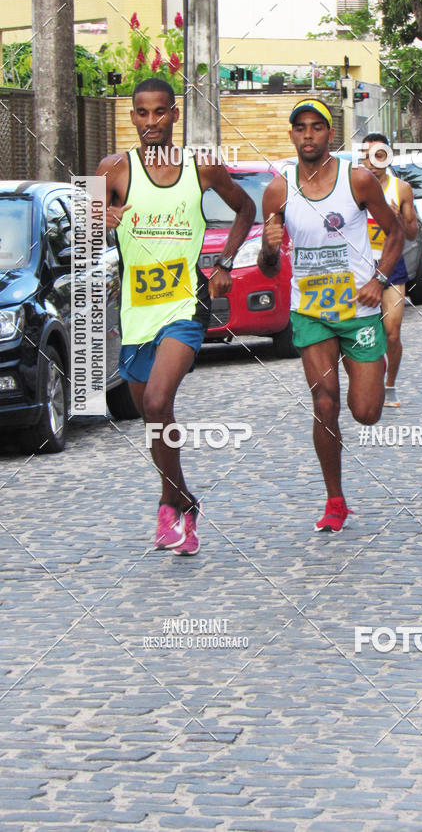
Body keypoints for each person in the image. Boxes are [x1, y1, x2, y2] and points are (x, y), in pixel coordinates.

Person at [96, 78, 255, 555]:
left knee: (157, 402)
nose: (151, 122)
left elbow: (245, 208)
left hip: (186, 306)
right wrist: (99, 220)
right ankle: (178, 500)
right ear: (131, 118)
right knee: (153, 418)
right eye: (142, 113)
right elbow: (82, 230)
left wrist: (224, 263)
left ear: (174, 115)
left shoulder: (201, 166)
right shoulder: (113, 168)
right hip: (136, 313)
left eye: (160, 112)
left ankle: (175, 505)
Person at [258, 99, 403, 533]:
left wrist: (379, 278)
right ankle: (335, 499)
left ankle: (372, 370)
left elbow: (394, 231)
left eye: (317, 127)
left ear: (329, 134)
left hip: (358, 310)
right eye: (300, 128)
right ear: (291, 135)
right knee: (324, 402)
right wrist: (267, 247)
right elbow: (269, 267)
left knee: (366, 412)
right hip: (311, 312)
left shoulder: (357, 180)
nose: (308, 135)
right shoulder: (278, 191)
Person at [360, 132, 419, 408]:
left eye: (378, 156)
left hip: (392, 266)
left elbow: (411, 232)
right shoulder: (353, 187)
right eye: (366, 156)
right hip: (360, 269)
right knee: (363, 333)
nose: (371, 163)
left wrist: (397, 218)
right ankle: (366, 383)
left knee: (392, 332)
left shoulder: (401, 189)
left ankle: (390, 384)